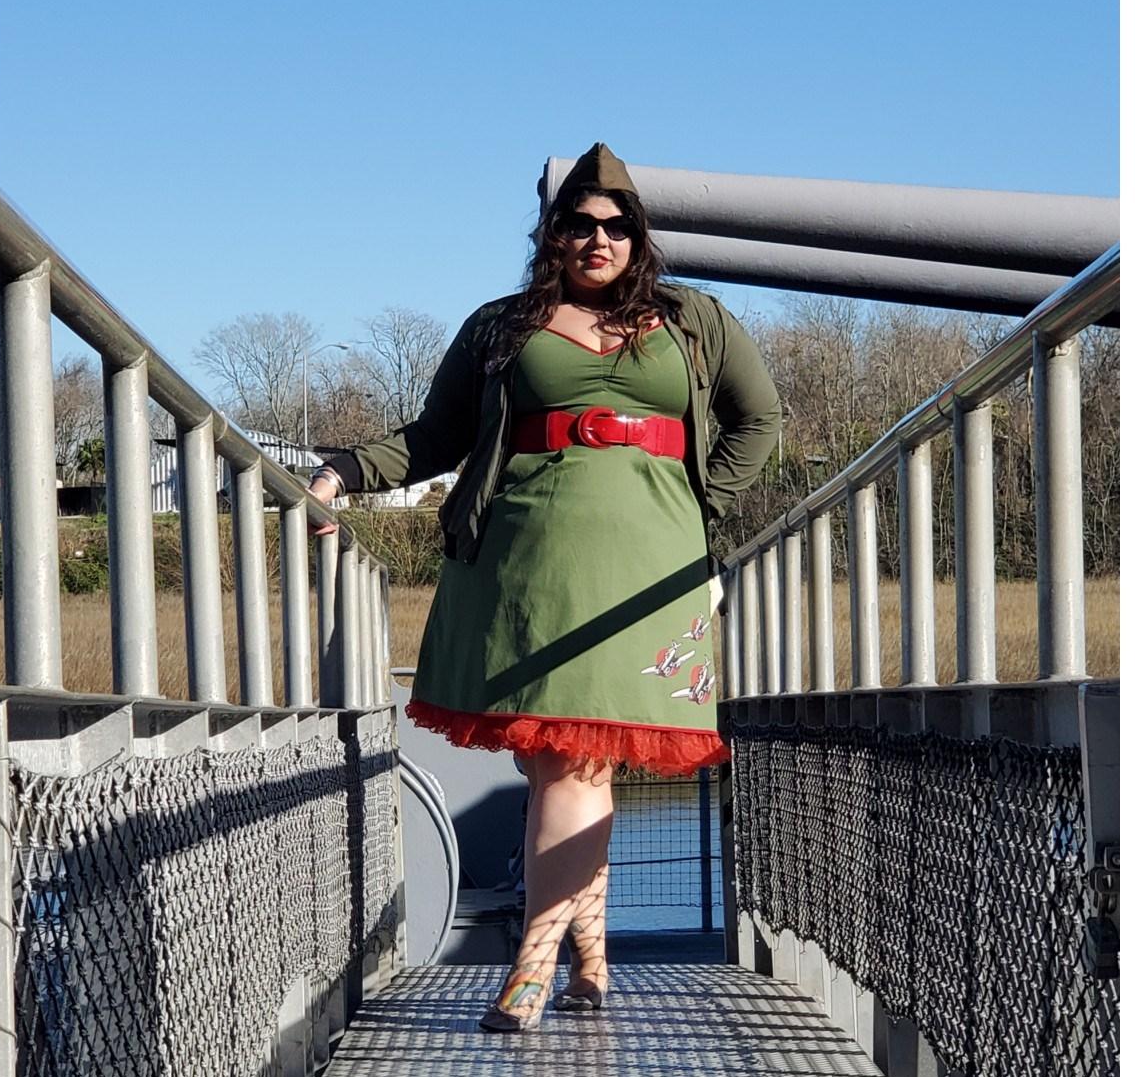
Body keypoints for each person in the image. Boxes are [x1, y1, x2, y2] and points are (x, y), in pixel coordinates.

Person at [308, 143, 782, 1031]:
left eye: (617, 226)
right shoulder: (501, 327)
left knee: (577, 761)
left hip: (650, 567)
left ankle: (530, 966)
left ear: (639, 238)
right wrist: (340, 472)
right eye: (579, 224)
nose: (599, 240)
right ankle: (591, 966)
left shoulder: (696, 321)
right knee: (559, 763)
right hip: (525, 563)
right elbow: (434, 436)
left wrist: (699, 504)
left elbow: (759, 420)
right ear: (551, 234)